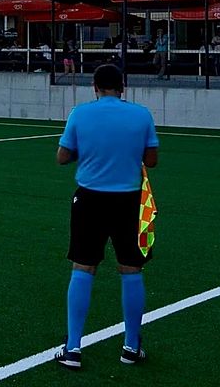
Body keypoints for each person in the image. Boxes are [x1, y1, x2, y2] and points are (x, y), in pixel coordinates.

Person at [54, 64, 159, 370]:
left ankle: (73, 348)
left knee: (83, 266)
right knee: (131, 268)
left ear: (95, 87)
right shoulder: (142, 115)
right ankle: (131, 345)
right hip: (129, 201)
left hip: (89, 199)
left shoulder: (80, 113)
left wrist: (84, 152)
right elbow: (151, 159)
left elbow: (62, 156)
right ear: (122, 86)